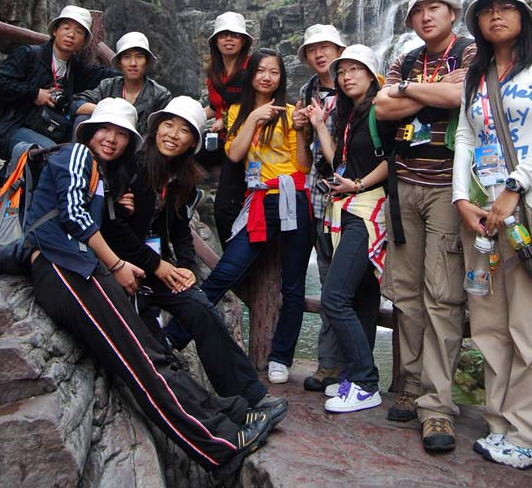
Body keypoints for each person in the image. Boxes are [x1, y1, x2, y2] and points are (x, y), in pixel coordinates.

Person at [26, 98, 274, 472]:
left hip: (84, 268)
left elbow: (168, 229)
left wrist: (171, 263)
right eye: (104, 129)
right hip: (65, 267)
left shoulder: (105, 171)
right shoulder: (77, 154)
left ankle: (227, 413)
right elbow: (76, 218)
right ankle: (220, 446)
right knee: (141, 359)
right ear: (89, 131)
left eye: (120, 134)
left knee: (151, 351)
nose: (111, 139)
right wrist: (119, 264)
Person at [100, 96, 286, 416]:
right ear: (156, 128)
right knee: (155, 344)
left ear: (192, 142)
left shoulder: (180, 178)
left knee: (201, 308)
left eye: (184, 130)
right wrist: (159, 266)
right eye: (168, 125)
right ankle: (205, 413)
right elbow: (114, 230)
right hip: (119, 267)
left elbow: (180, 229)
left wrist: (187, 267)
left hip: (151, 265)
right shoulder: (132, 167)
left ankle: (250, 397)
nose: (173, 134)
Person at [453, 0, 532, 469]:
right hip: (481, 215)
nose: (496, 15)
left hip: (528, 211)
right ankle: (500, 424)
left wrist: (515, 186)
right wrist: (461, 198)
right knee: (488, 326)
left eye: (506, 7)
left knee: (528, 326)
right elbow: (465, 137)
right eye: (486, 9)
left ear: (523, 15)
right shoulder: (477, 75)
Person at [374, 0, 476, 451]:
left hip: (448, 192)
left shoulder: (470, 52)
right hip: (403, 188)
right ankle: (411, 386)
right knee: (407, 294)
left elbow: (463, 97)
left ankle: (438, 406)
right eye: (418, 10)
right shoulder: (407, 58)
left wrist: (408, 93)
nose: (426, 16)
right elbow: (383, 106)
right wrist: (429, 88)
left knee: (443, 295)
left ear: (453, 13)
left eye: (435, 7)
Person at [198, 48, 312, 386]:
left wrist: (301, 129)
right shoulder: (236, 111)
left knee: (293, 286)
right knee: (227, 270)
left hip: (292, 198)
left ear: (281, 78)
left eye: (274, 72)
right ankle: (177, 331)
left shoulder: (291, 113)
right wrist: (253, 119)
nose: (267, 77)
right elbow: (234, 154)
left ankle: (281, 357)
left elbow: (303, 165)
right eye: (261, 70)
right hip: (258, 200)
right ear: (251, 75)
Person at [306, 44, 396, 413]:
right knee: (361, 297)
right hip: (349, 209)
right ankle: (355, 378)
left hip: (369, 212)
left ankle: (365, 382)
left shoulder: (381, 108)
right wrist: (318, 125)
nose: (346, 77)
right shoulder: (348, 115)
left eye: (354, 70)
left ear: (372, 75)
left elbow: (393, 158)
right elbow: (338, 161)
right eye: (341, 72)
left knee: (334, 297)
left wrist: (358, 185)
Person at [293, 24, 347, 393]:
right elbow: (304, 155)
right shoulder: (307, 91)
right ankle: (329, 363)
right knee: (328, 279)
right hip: (317, 196)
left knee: (347, 283)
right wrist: (301, 128)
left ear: (340, 50)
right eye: (313, 49)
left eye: (326, 47)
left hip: (352, 194)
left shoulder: (357, 84)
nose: (319, 54)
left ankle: (351, 366)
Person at [0, 5, 117, 159]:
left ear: (83, 42)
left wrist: (130, 68)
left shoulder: (74, 68)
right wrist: (34, 93)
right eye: (66, 28)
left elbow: (103, 75)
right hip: (11, 127)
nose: (71, 35)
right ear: (55, 31)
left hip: (47, 129)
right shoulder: (29, 54)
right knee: (56, 155)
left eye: (78, 32)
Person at [203, 12, 254, 248]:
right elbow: (214, 107)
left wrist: (225, 119)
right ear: (216, 41)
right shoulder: (215, 72)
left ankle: (235, 258)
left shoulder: (253, 68)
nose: (229, 39)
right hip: (224, 142)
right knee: (191, 148)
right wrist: (187, 117)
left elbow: (258, 101)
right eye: (224, 35)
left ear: (244, 41)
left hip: (246, 143)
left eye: (235, 35)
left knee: (224, 208)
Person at [74, 31, 172, 134]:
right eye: (127, 57)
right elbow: (76, 103)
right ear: (120, 63)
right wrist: (106, 110)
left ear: (146, 62)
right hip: (108, 140)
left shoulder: (160, 95)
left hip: (142, 143)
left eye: (139, 57)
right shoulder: (108, 86)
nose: (133, 63)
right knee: (82, 118)